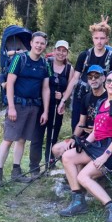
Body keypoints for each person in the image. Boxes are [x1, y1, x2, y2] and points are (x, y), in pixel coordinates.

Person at [58, 70, 112, 222]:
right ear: (105, 83)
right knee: (68, 157)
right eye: (109, 81)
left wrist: (105, 155)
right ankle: (78, 201)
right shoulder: (103, 102)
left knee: (83, 176)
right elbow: (96, 131)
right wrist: (83, 142)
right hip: (100, 144)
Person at [0, 31, 51, 187]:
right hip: (17, 105)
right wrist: (11, 107)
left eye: (42, 43)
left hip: (33, 106)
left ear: (45, 46)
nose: (39, 45)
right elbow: (10, 83)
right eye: (37, 42)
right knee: (8, 139)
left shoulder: (45, 64)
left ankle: (16, 172)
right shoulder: (20, 58)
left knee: (22, 139)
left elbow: (46, 88)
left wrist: (45, 110)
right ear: (31, 43)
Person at [57, 21, 112, 132]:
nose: (99, 41)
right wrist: (63, 100)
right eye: (96, 38)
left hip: (102, 99)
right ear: (92, 38)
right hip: (81, 96)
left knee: (97, 130)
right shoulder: (84, 56)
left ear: (107, 39)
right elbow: (74, 79)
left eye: (102, 38)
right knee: (77, 126)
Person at [29, 40, 73, 177]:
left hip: (57, 107)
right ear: (54, 50)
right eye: (58, 50)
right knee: (37, 136)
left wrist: (63, 97)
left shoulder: (69, 69)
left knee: (52, 137)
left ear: (67, 52)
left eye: (64, 50)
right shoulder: (46, 64)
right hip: (41, 105)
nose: (61, 53)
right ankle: (34, 167)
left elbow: (70, 89)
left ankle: (50, 165)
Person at [51, 65, 107, 159]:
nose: (93, 79)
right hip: (85, 136)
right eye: (90, 77)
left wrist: (94, 130)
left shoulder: (108, 98)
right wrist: (74, 139)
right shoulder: (86, 98)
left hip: (101, 139)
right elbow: (81, 122)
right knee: (57, 149)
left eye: (96, 76)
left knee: (75, 154)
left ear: (103, 78)